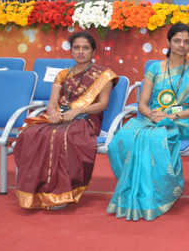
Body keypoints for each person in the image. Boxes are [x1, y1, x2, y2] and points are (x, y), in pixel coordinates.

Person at [107, 23, 189, 221]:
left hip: (178, 122)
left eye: (186, 42)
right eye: (177, 41)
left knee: (154, 138)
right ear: (169, 42)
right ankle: (135, 191)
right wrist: (152, 115)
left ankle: (157, 196)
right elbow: (142, 104)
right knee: (123, 137)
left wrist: (171, 117)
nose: (181, 45)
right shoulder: (154, 68)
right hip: (151, 118)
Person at [13, 32, 118, 210]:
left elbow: (103, 105)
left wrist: (79, 110)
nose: (80, 52)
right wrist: (52, 112)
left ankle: (61, 193)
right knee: (30, 133)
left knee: (63, 136)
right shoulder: (62, 74)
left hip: (86, 119)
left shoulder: (104, 75)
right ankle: (36, 190)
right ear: (71, 51)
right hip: (60, 117)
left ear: (93, 52)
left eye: (85, 48)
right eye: (76, 48)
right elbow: (52, 102)